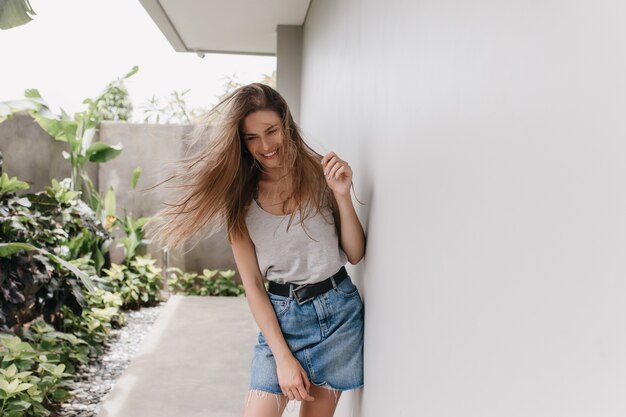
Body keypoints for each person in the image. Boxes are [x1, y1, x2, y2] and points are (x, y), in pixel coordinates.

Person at [146, 83, 365, 417]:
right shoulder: (239, 200)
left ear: (286, 125)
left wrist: (342, 195)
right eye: (251, 137)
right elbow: (252, 285)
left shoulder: (321, 173)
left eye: (271, 131)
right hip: (282, 319)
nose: (264, 145)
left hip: (339, 317)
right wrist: (282, 357)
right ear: (241, 141)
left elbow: (355, 253)